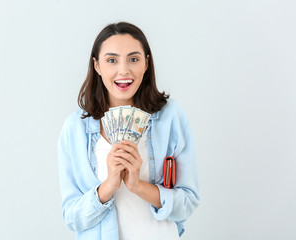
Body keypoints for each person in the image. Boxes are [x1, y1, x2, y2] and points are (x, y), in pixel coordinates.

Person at [58, 22, 200, 240]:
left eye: (133, 59)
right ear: (97, 66)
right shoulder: (75, 128)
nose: (123, 70)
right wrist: (108, 187)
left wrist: (137, 185)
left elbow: (187, 203)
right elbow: (73, 217)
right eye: (111, 60)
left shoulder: (171, 116)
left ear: (146, 63)